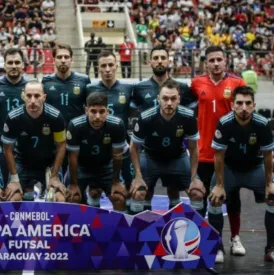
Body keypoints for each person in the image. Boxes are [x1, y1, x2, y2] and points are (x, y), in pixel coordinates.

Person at [190, 46, 247, 262]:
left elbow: (245, 114)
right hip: (205, 152)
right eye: (211, 60)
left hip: (229, 154)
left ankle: (235, 238)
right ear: (206, 64)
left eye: (219, 60)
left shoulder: (237, 84)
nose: (215, 63)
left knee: (232, 197)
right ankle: (206, 240)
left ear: (226, 62)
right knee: (202, 197)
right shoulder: (196, 84)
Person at [208, 86, 274, 263]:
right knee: (214, 199)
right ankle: (217, 247)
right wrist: (220, 185)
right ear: (232, 105)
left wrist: (269, 184)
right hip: (230, 169)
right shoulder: (224, 122)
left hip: (254, 168)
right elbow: (219, 155)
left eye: (248, 103)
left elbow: (268, 155)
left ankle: (271, 249)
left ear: (254, 105)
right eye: (239, 103)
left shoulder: (263, 123)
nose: (243, 107)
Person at [129, 79, 204, 215]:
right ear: (158, 99)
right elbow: (134, 147)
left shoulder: (188, 117)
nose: (169, 103)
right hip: (150, 157)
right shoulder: (146, 117)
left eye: (173, 98)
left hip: (177, 157)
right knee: (138, 192)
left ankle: (194, 232)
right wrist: (138, 176)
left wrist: (194, 178)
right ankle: (140, 233)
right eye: (165, 98)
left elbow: (193, 148)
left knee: (197, 192)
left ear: (179, 100)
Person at [2, 81, 67, 202]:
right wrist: (15, 179)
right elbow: (7, 149)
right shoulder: (13, 118)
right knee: (13, 199)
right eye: (29, 96)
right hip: (22, 163)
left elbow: (61, 145)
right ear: (23, 97)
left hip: (49, 163)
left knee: (60, 199)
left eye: (37, 96)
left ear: (44, 97)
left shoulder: (56, 117)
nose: (32, 100)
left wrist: (54, 176)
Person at [65, 92, 127, 211]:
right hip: (81, 167)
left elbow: (117, 156)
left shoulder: (117, 125)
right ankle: (77, 228)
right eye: (93, 111)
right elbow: (72, 157)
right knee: (72, 197)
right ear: (86, 110)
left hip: (106, 167)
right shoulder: (75, 125)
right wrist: (73, 184)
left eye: (102, 112)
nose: (97, 116)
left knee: (119, 197)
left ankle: (119, 229)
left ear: (107, 111)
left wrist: (116, 182)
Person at [42, 43, 90, 196]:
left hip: (77, 139)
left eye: (66, 57)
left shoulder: (83, 81)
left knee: (76, 187)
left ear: (72, 60)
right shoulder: (46, 82)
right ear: (54, 60)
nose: (63, 60)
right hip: (54, 140)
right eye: (59, 57)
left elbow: (89, 109)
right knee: (55, 185)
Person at [85, 50, 134, 190]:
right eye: (103, 66)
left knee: (127, 189)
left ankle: (127, 212)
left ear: (116, 66)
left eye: (110, 65)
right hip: (97, 146)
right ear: (98, 68)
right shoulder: (89, 89)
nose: (107, 69)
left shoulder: (128, 88)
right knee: (95, 191)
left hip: (121, 146)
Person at [0, 48, 30, 185]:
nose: (13, 66)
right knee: (1, 186)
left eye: (17, 62)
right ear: (4, 65)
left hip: (25, 143)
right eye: (10, 62)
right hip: (0, 142)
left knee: (24, 189)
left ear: (23, 65)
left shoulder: (31, 86)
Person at [132, 46, 196, 112]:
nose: (159, 61)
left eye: (163, 58)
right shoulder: (139, 88)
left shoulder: (183, 87)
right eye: (156, 58)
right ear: (150, 62)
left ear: (169, 62)